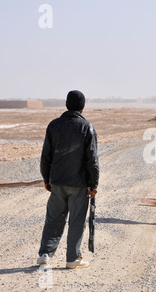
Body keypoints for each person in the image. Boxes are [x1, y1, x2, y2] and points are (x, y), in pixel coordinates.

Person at [37, 90, 99, 269]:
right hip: (79, 184)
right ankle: (72, 258)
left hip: (56, 182)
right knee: (76, 221)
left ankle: (45, 255)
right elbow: (92, 159)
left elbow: (45, 157)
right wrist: (93, 184)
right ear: (82, 106)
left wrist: (46, 179)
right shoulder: (87, 127)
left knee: (54, 219)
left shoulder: (53, 125)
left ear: (66, 104)